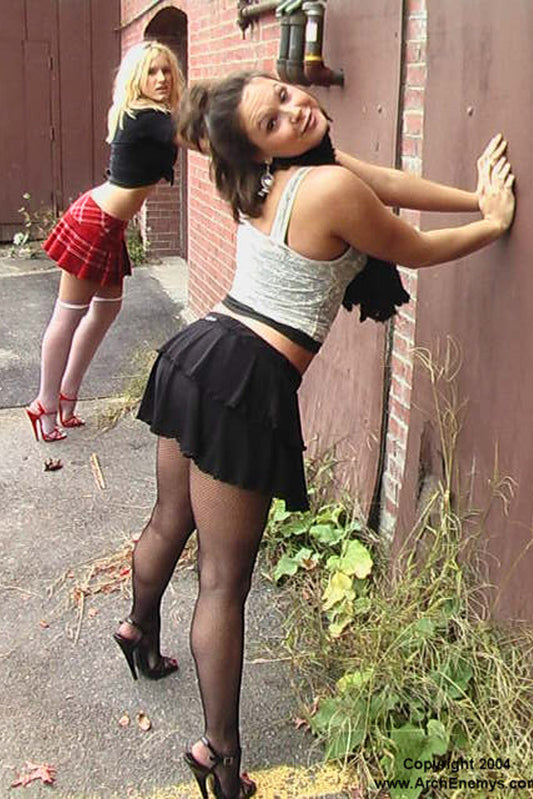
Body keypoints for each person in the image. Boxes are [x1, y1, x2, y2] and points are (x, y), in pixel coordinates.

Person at [113, 72, 515, 799]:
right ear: (260, 149)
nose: (297, 108)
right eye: (275, 119)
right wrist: (488, 223)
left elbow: (384, 180)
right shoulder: (324, 188)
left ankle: (138, 630)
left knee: (168, 518)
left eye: (284, 94)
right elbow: (408, 246)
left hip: (200, 350)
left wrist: (473, 197)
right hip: (242, 379)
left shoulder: (282, 175)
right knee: (223, 581)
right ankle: (220, 758)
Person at [25, 41, 184, 442]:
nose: (162, 78)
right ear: (137, 78)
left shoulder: (154, 116)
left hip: (108, 225)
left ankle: (67, 395)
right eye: (152, 72)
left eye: (167, 70)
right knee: (68, 315)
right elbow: (198, 134)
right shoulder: (145, 115)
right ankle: (43, 402)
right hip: (94, 222)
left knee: (106, 310)